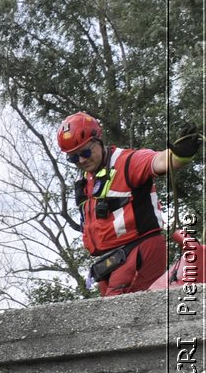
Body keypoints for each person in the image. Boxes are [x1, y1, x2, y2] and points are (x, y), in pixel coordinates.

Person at [56, 112, 200, 296]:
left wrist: (179, 155)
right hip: (111, 262)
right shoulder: (88, 180)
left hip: (139, 253)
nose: (81, 160)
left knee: (119, 318)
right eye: (73, 158)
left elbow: (157, 161)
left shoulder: (127, 162)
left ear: (99, 140)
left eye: (85, 152)